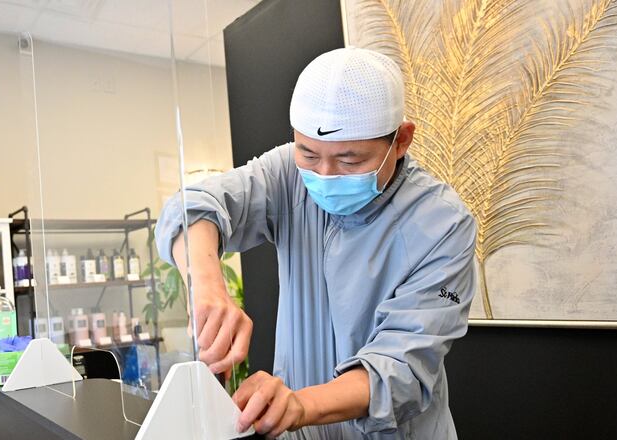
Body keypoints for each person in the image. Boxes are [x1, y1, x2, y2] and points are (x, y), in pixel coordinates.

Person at [155, 47, 476, 439]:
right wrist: (207, 284)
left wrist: (300, 404)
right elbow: (192, 208)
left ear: (402, 140)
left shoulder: (442, 224)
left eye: (350, 161)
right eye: (308, 153)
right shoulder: (288, 174)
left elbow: (401, 368)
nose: (324, 175)